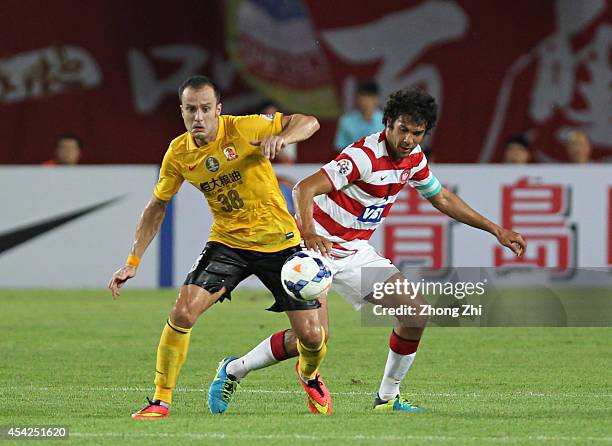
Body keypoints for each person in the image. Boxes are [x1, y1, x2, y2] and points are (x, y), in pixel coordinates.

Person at [213, 88, 526, 413]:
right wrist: (308, 232)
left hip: (353, 252)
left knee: (415, 313)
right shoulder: (363, 157)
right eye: (402, 129)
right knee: (314, 338)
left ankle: (387, 398)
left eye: (416, 133)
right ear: (387, 123)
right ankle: (234, 369)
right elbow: (304, 187)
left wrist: (496, 229)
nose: (408, 139)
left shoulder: (414, 159)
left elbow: (442, 198)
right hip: (314, 252)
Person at [107, 75, 332, 418]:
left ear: (219, 110)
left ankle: (309, 374)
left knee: (314, 337)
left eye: (206, 109)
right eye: (191, 109)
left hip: (281, 243)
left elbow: (309, 122)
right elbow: (157, 205)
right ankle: (160, 401)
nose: (199, 116)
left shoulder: (244, 128)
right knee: (182, 311)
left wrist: (281, 137)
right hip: (229, 243)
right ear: (181, 111)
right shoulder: (178, 153)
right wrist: (133, 260)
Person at [334, 80, 384, 151]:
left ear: (377, 99)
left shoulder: (387, 121)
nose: (365, 100)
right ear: (357, 98)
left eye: (369, 97)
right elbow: (340, 147)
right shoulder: (346, 120)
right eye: (363, 96)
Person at [258, 100, 297, 164]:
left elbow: (289, 161)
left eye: (272, 116)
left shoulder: (287, 132)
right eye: (266, 116)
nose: (269, 120)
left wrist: (271, 145)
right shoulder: (255, 130)